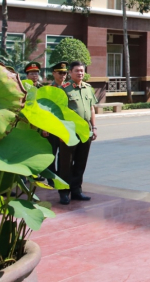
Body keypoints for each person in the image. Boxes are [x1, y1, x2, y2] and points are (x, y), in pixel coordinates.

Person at [58, 61, 97, 205]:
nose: (80, 73)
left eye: (82, 70)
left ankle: (76, 190)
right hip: (69, 131)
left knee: (81, 162)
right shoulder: (63, 89)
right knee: (65, 163)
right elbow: (58, 112)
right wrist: (61, 132)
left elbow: (92, 109)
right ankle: (63, 192)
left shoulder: (88, 88)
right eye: (77, 71)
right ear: (70, 72)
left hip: (85, 131)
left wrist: (94, 127)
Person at [42, 62, 70, 180]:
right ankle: (51, 178)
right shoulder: (48, 89)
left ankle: (61, 177)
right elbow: (44, 109)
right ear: (54, 73)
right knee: (51, 153)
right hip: (52, 126)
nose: (63, 75)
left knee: (64, 154)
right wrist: (44, 127)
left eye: (65, 73)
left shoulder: (69, 88)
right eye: (60, 73)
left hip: (65, 126)